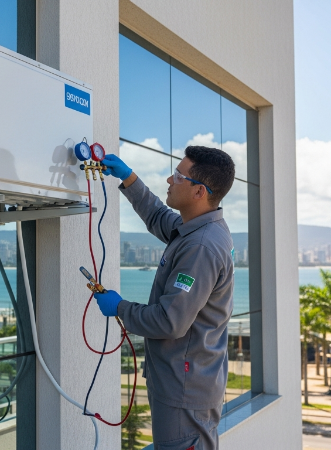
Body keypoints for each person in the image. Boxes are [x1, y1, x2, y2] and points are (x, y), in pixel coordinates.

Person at [94, 146, 236, 450]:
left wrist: (119, 307)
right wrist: (128, 178)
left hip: (185, 391)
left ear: (199, 191)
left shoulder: (201, 247)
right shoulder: (196, 227)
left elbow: (169, 322)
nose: (170, 181)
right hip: (184, 382)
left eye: (178, 176)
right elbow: (159, 216)